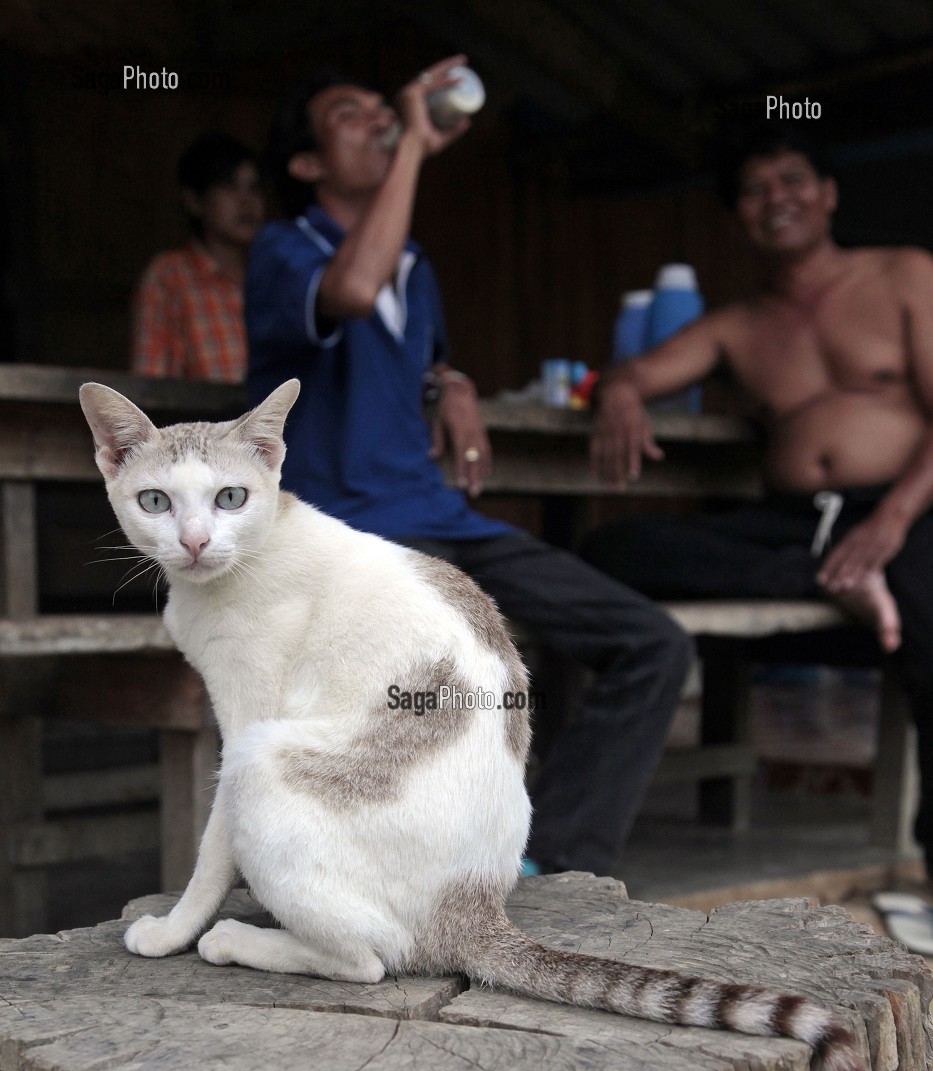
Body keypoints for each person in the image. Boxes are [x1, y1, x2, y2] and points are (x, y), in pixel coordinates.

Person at [245, 59, 693, 877]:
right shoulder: (283, 250)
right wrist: (417, 138)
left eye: (385, 106)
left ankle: (554, 860)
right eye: (351, 111)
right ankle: (378, 873)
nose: (379, 116)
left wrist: (450, 382)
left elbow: (410, 358)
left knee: (652, 643)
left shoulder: (412, 268)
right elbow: (347, 289)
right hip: (344, 535)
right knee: (447, 684)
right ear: (306, 165)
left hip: (440, 520)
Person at [583, 124, 933, 877]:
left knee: (929, 618)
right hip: (796, 529)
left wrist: (890, 522)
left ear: (828, 193)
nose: (776, 199)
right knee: (612, 551)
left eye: (792, 180)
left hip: (908, 504)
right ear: (737, 215)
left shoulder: (904, 274)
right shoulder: (736, 326)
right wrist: (615, 392)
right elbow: (635, 374)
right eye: (754, 189)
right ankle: (835, 581)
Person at [132, 132, 265, 382]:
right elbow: (150, 385)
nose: (246, 201)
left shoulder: (275, 273)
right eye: (229, 187)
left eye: (254, 188)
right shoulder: (171, 275)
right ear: (193, 201)